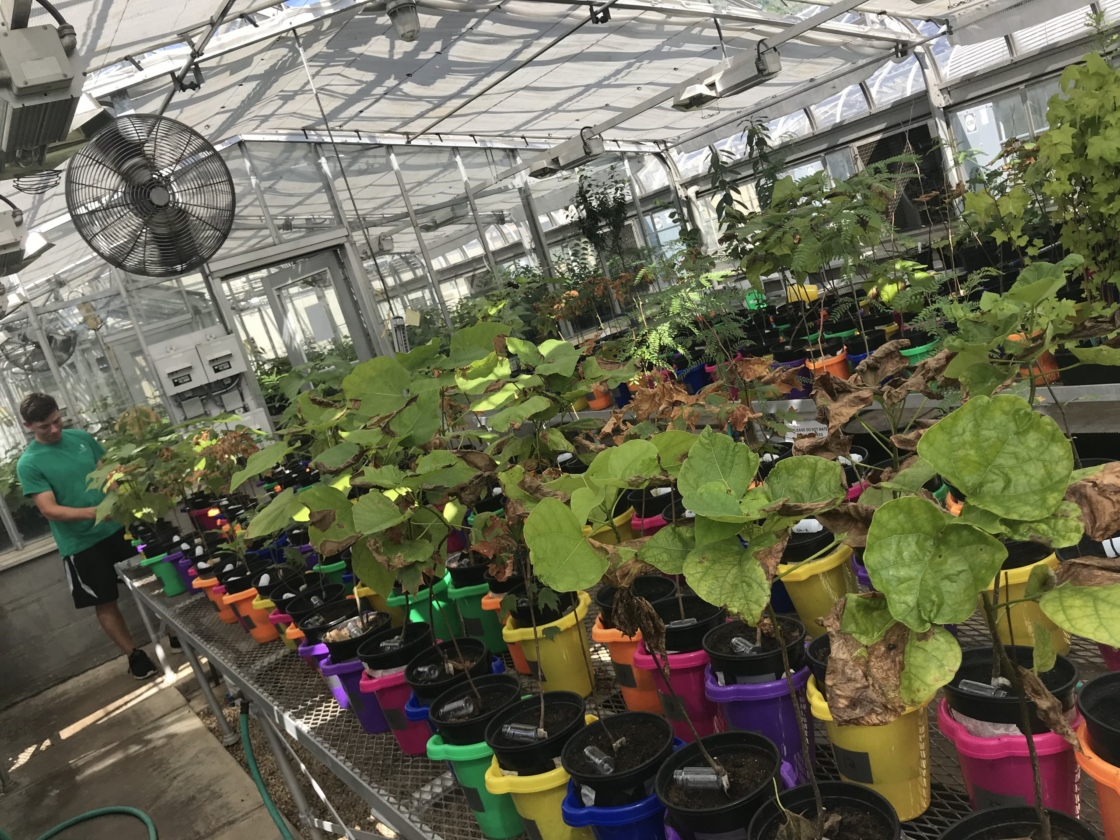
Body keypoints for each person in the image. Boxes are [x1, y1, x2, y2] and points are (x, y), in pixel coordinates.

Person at [16, 393, 158, 680]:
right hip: (81, 544)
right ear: (28, 426)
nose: (54, 429)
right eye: (45, 427)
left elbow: (108, 473)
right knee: (104, 600)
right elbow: (49, 510)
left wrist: (125, 500)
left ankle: (174, 633)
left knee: (152, 579)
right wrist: (95, 513)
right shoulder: (29, 464)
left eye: (57, 420)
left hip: (119, 529)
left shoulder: (81, 438)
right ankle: (134, 655)